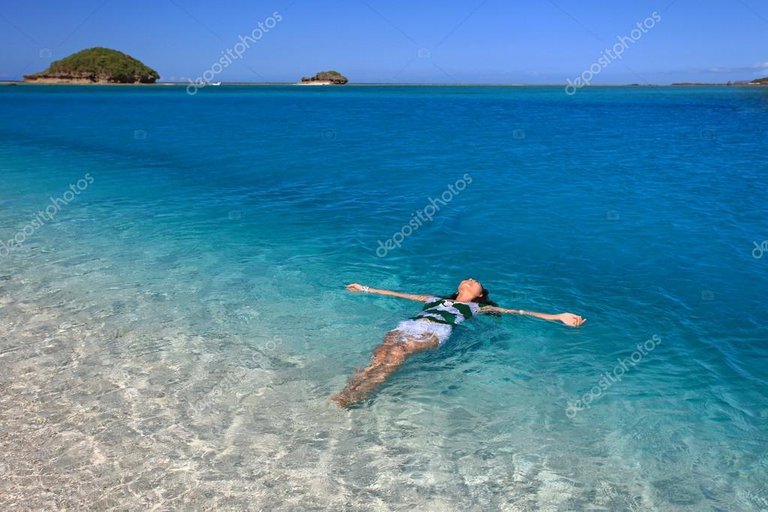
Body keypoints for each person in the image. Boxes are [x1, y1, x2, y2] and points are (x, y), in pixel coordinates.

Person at [331, 278, 586, 407]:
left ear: (480, 294)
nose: (470, 279)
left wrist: (558, 316)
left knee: (396, 356)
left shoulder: (477, 308)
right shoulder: (432, 299)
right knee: (379, 356)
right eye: (468, 279)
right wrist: (365, 288)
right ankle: (348, 391)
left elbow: (519, 312)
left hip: (435, 332)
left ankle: (358, 395)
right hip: (409, 325)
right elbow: (398, 294)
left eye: (476, 282)